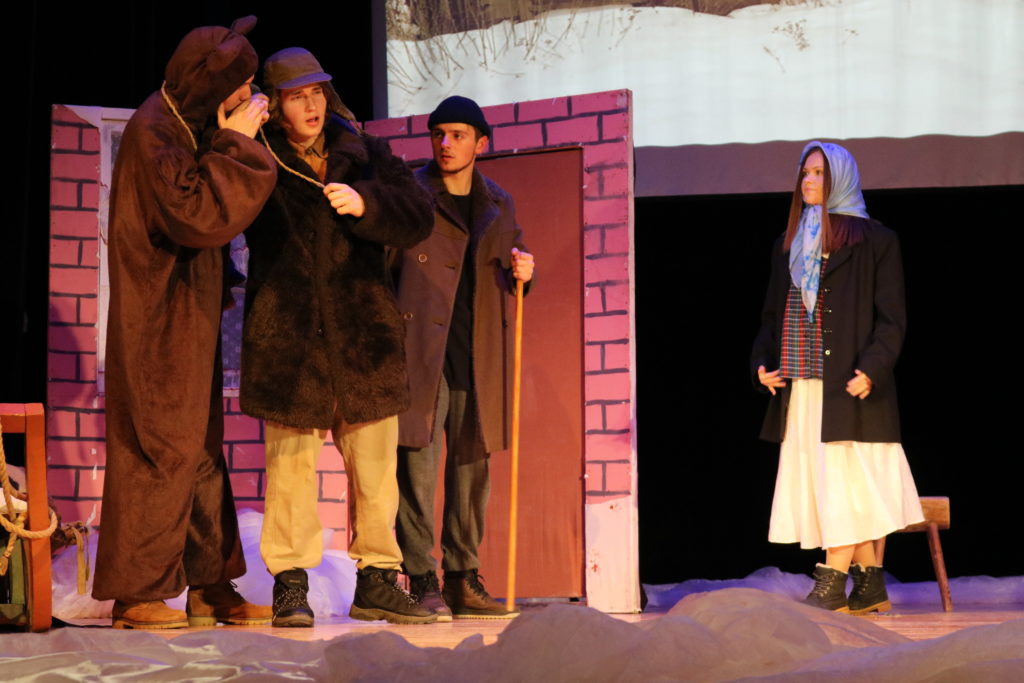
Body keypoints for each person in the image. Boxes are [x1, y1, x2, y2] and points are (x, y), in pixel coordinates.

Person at [240, 48, 436, 626]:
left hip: (363, 336)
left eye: (317, 92)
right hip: (290, 337)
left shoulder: (365, 151)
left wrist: (368, 203)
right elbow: (223, 209)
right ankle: (291, 585)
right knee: (290, 472)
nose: (311, 105)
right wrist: (236, 144)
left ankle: (377, 581)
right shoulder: (259, 156)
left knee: (376, 472)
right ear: (275, 105)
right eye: (297, 96)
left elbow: (418, 213)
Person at [93, 17, 277, 629]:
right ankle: (136, 592)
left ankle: (209, 582)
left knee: (199, 449)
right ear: (208, 85)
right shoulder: (155, 133)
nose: (248, 96)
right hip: (158, 321)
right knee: (158, 448)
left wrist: (223, 140)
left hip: (187, 314)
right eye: (240, 85)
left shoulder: (182, 124)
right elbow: (196, 213)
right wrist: (237, 146)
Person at [751, 141, 924, 614]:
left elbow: (892, 319)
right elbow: (772, 316)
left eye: (819, 173)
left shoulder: (876, 241)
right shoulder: (788, 244)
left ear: (841, 179)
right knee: (833, 483)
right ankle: (869, 587)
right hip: (804, 384)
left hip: (850, 385)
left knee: (846, 483)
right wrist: (761, 365)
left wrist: (873, 369)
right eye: (804, 172)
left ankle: (830, 585)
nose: (808, 181)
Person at [393, 96, 535, 620]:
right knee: (417, 470)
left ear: (481, 143)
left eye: (457, 135)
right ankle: (420, 577)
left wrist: (526, 272)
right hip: (424, 352)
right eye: (439, 134)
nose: (446, 144)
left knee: (473, 472)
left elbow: (513, 257)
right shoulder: (411, 193)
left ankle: (462, 577)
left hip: (478, 354)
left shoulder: (498, 201)